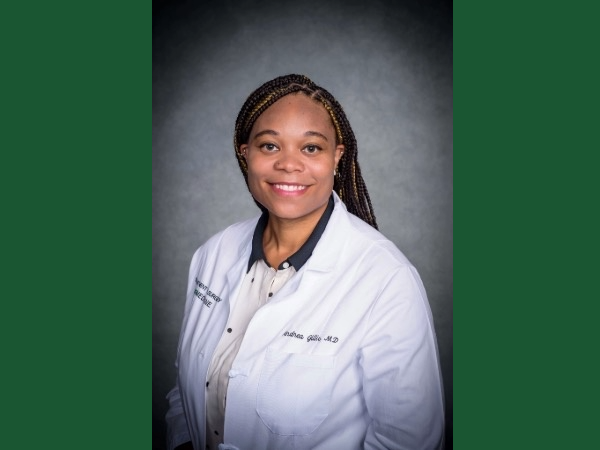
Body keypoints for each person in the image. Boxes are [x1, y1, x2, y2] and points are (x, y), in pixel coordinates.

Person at [165, 74, 445, 450]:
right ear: (245, 152)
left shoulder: (387, 280)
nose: (288, 164)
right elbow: (186, 390)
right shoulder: (213, 254)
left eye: (311, 148)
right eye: (270, 145)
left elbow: (408, 441)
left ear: (337, 157)